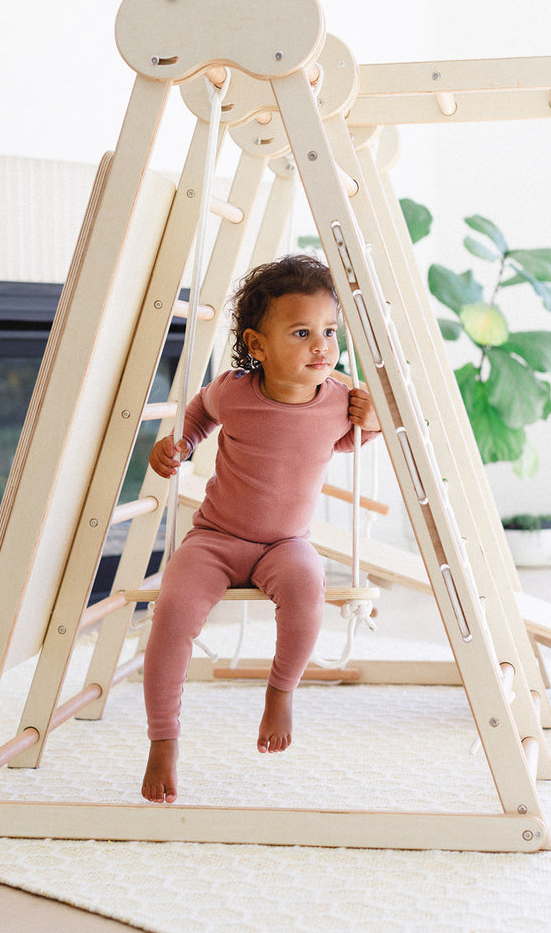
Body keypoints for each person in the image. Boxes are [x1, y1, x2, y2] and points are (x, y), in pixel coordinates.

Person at [141, 254, 381, 803]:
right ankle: (163, 738)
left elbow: (347, 445)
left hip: (285, 543)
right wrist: (181, 443)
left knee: (306, 591)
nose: (321, 346)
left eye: (328, 331)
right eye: (302, 333)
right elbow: (200, 411)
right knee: (172, 611)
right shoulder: (234, 391)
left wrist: (371, 424)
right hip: (216, 537)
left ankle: (281, 691)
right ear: (258, 346)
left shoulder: (341, 399)